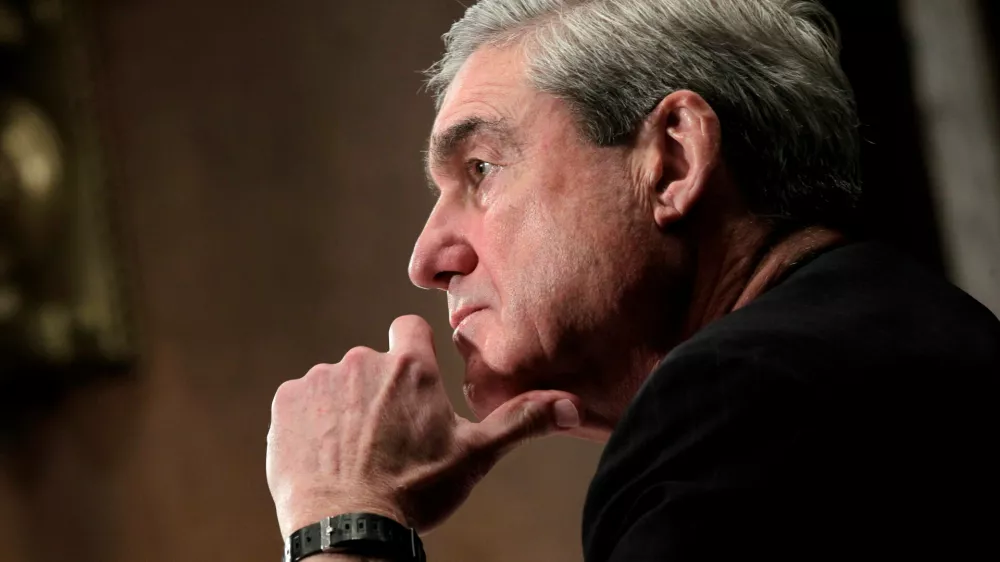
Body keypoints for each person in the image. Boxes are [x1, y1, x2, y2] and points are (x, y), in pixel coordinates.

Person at [266, 0, 1000, 560]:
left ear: (674, 161)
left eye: (480, 170)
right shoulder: (889, 338)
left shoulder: (748, 397)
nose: (427, 258)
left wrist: (343, 513)